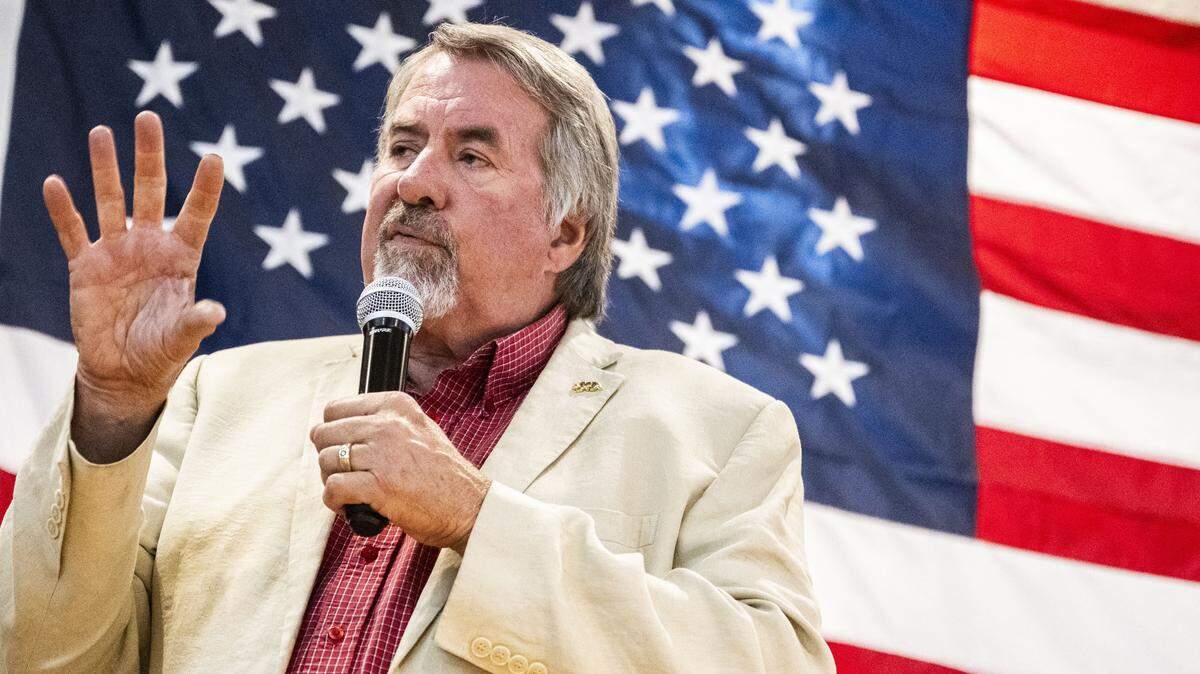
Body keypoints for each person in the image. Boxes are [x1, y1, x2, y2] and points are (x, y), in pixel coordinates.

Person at [0, 23, 834, 673]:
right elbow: (39, 655)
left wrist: (476, 518)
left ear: (566, 233)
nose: (413, 181)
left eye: (472, 155)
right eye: (402, 148)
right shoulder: (217, 396)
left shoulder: (718, 432)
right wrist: (111, 411)